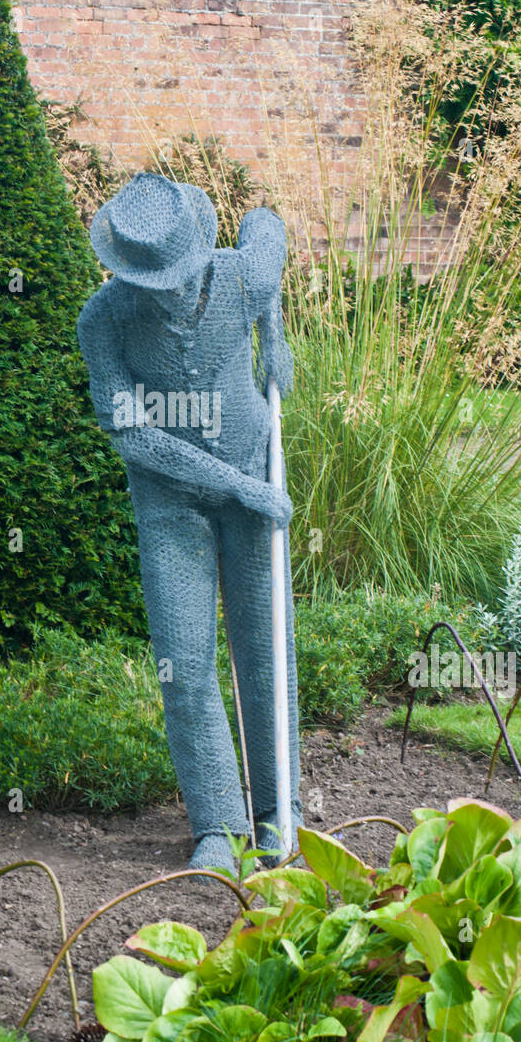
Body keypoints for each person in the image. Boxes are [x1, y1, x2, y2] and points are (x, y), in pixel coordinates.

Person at [77, 172, 303, 875]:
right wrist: (241, 487)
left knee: (265, 648)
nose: (169, 290)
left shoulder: (243, 278)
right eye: (154, 279)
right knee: (184, 662)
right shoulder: (104, 319)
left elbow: (267, 219)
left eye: (179, 274)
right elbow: (134, 436)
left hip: (252, 473)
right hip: (171, 502)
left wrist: (275, 335)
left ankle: (276, 810)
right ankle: (220, 827)